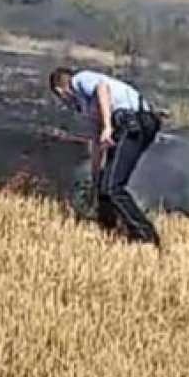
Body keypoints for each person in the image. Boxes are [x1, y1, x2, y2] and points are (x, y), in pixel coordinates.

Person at [49, 67, 161, 246]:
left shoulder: (80, 80)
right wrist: (95, 173)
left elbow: (103, 88)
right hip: (130, 125)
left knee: (112, 187)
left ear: (60, 91)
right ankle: (108, 230)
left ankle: (146, 238)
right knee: (104, 187)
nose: (65, 102)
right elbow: (96, 138)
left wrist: (108, 127)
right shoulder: (87, 106)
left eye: (61, 98)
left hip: (134, 122)